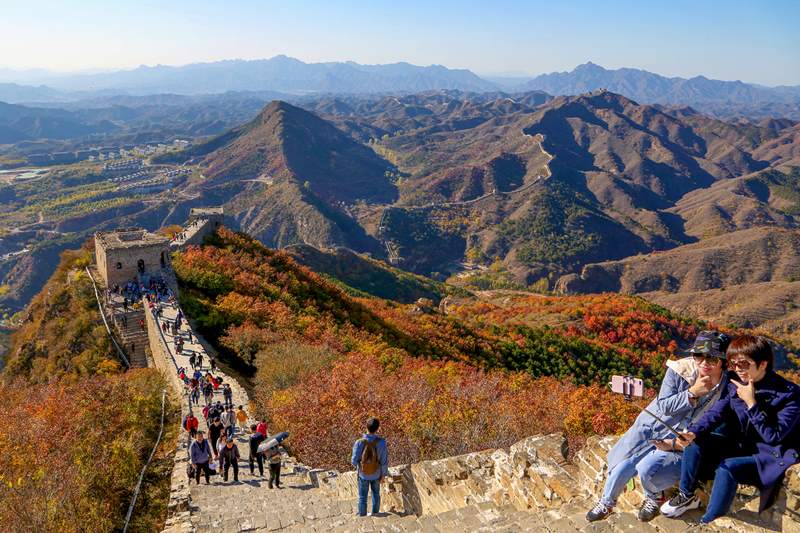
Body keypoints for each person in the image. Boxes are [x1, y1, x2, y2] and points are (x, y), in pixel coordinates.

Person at [586, 330, 731, 522]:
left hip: (682, 440)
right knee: (624, 463)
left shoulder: (727, 385)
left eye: (712, 358)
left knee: (647, 468)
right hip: (654, 427)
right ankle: (606, 503)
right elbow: (664, 406)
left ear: (723, 361)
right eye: (698, 356)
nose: (704, 362)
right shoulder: (681, 370)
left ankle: (654, 497)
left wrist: (677, 443)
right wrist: (692, 392)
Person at [661, 335, 800, 524]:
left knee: (728, 468)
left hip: (772, 453)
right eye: (734, 364)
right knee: (696, 442)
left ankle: (709, 521)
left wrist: (751, 403)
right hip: (743, 443)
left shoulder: (789, 395)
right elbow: (717, 412)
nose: (738, 369)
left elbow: (773, 436)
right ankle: (686, 495)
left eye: (744, 363)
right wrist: (693, 432)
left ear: (763, 364)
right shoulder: (736, 382)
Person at [351, 417, 389, 517]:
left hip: (363, 474)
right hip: (376, 474)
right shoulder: (381, 442)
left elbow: (354, 461)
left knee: (362, 497)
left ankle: (362, 515)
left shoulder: (359, 442)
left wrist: (361, 466)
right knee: (376, 494)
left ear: (366, 427)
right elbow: (384, 461)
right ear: (377, 429)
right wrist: (383, 475)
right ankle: (375, 513)